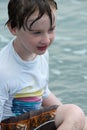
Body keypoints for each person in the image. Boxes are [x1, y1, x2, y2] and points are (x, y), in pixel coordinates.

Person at [0, 0, 86, 130]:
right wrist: (71, 114)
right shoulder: (3, 69)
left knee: (82, 121)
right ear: (14, 28)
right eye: (36, 32)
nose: (46, 40)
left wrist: (74, 118)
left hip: (30, 122)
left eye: (51, 30)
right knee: (74, 113)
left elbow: (43, 93)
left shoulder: (40, 54)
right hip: (9, 125)